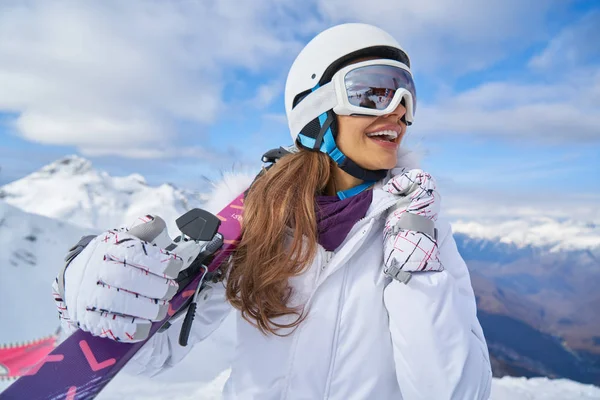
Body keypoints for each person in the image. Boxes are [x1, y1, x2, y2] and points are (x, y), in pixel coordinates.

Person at [53, 23, 492, 399]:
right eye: (374, 90)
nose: (398, 109)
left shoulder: (419, 226)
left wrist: (415, 275)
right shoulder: (252, 217)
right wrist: (94, 285)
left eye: (407, 95)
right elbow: (153, 355)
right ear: (315, 107)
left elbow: (453, 391)